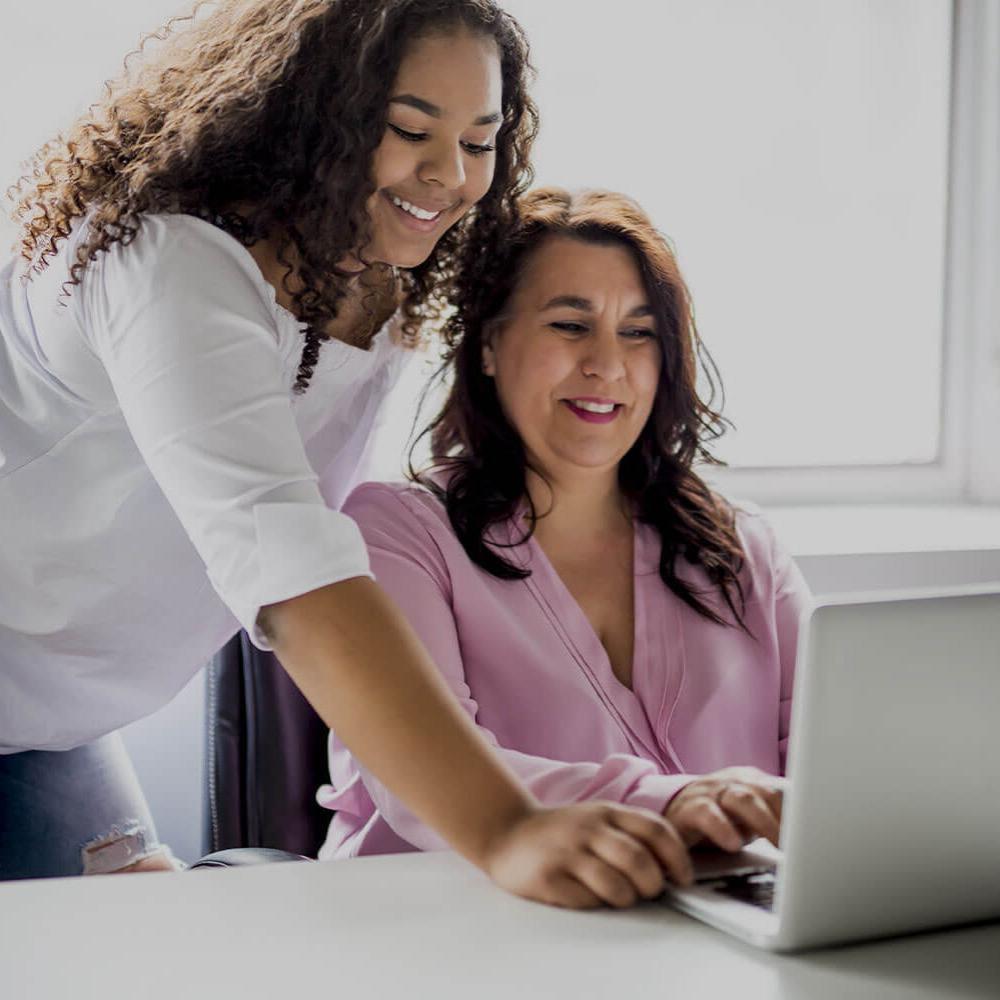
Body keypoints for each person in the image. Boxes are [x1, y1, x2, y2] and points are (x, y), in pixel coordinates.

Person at [0, 2, 695, 907]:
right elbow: (288, 564)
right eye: (410, 129)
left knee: (131, 936)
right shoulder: (169, 265)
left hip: (55, 721)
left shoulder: (378, 284)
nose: (448, 176)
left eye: (479, 142)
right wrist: (508, 826)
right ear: (307, 114)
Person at [322, 188, 812, 890]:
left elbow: (832, 762)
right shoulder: (397, 534)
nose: (608, 365)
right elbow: (421, 784)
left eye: (639, 333)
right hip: (447, 933)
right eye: (570, 325)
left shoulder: (744, 549)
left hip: (706, 938)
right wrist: (673, 802)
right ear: (489, 344)